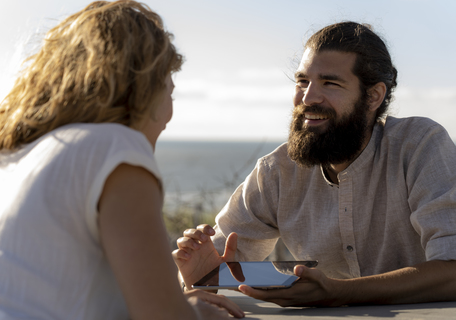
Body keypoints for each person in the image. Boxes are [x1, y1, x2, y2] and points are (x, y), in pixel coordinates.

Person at [0, 1, 245, 319]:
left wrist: (176, 293)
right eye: (169, 92)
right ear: (142, 91)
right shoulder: (114, 146)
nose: (169, 116)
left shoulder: (10, 158)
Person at [173, 21, 456, 307]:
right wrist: (203, 280)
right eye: (302, 82)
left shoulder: (419, 146)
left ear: (373, 96)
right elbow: (219, 264)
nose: (307, 98)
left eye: (329, 83)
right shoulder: (277, 172)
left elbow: (452, 270)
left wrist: (339, 292)